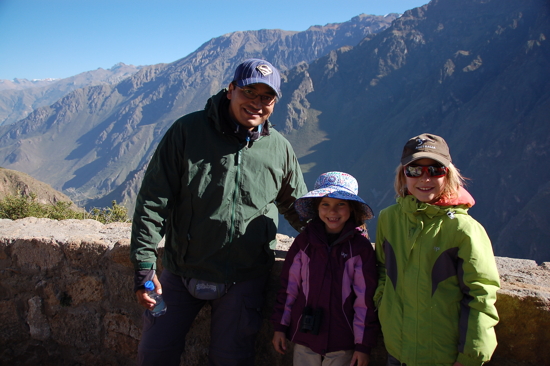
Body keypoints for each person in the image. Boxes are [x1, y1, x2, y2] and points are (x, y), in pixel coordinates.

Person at [130, 58, 308, 366]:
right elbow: (153, 199)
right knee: (153, 354)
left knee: (231, 360)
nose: (256, 103)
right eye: (249, 92)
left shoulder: (279, 149)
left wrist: (340, 237)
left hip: (244, 276)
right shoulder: (187, 132)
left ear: (275, 102)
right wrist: (145, 265)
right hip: (182, 269)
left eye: (266, 97)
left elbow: (298, 207)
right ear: (230, 90)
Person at [374, 133, 500, 366]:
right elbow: (381, 268)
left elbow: (480, 295)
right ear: (403, 174)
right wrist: (384, 306)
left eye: (435, 170)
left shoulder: (464, 230)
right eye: (414, 170)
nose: (425, 178)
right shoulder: (389, 219)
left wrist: (469, 358)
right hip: (396, 349)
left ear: (448, 174)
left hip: (442, 356)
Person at [271, 171, 379, 366]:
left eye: (341, 204)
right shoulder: (304, 243)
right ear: (317, 207)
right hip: (306, 336)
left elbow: (365, 301)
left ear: (351, 208)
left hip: (342, 341)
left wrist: (362, 345)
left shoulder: (360, 249)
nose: (332, 211)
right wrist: (280, 326)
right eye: (325, 204)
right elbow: (289, 288)